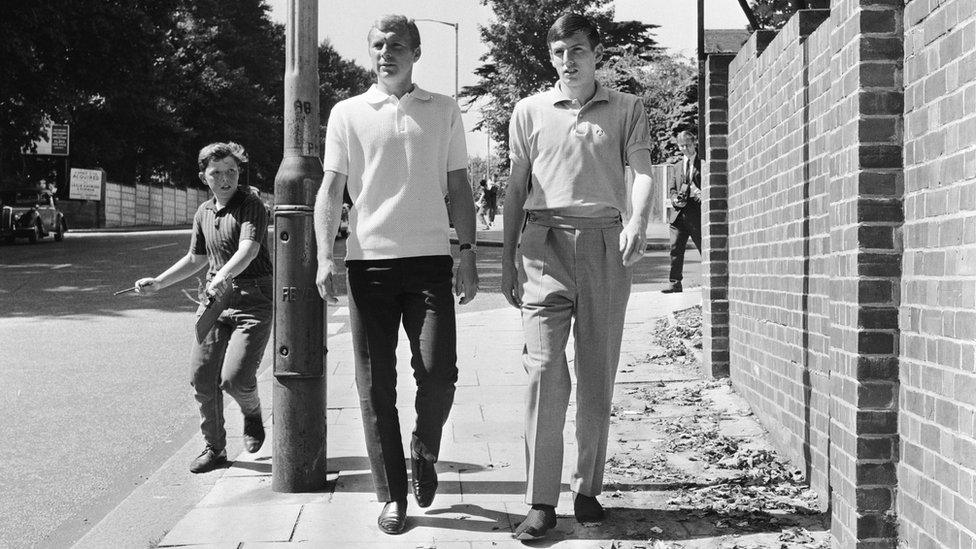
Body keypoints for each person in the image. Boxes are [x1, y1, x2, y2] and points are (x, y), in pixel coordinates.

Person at [313, 14, 479, 536]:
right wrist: (325, 255)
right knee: (374, 384)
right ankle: (392, 496)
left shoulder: (443, 110)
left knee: (439, 373)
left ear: (416, 52)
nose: (387, 52)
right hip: (369, 264)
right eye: (379, 44)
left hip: (430, 262)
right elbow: (330, 189)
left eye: (398, 45)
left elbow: (459, 186)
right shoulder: (348, 112)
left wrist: (468, 252)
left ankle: (424, 451)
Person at [500, 13, 655, 541]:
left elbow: (642, 171)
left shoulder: (627, 108)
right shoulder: (528, 111)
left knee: (596, 370)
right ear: (551, 57)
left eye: (580, 50)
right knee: (544, 371)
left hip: (605, 246)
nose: (570, 60)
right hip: (543, 246)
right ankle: (541, 500)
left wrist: (637, 219)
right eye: (561, 51)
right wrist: (505, 257)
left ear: (596, 54)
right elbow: (517, 185)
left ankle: (587, 488)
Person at [134, 142, 272, 474]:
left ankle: (251, 412)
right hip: (215, 302)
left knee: (235, 379)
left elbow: (249, 249)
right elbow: (196, 258)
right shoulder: (203, 213)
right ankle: (215, 448)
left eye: (232, 172)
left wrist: (223, 274)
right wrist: (160, 281)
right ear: (203, 177)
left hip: (252, 300)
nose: (225, 179)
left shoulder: (251, 205)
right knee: (201, 377)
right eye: (217, 173)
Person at [663, 130, 702, 293]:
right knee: (675, 249)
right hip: (678, 214)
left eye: (688, 145)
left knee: (704, 248)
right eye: (681, 146)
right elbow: (672, 189)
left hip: (697, 212)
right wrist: (674, 199)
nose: (685, 149)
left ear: (694, 143)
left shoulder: (703, 163)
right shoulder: (678, 166)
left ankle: (711, 281)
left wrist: (700, 192)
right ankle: (674, 283)